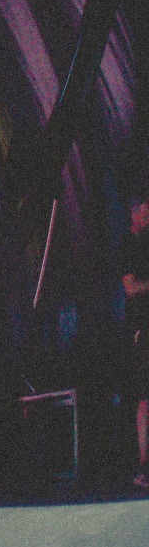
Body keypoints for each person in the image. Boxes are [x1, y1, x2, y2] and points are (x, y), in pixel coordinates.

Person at [124, 198, 149, 490]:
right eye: (145, 212)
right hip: (142, 331)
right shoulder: (129, 247)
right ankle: (144, 466)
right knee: (145, 398)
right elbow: (130, 288)